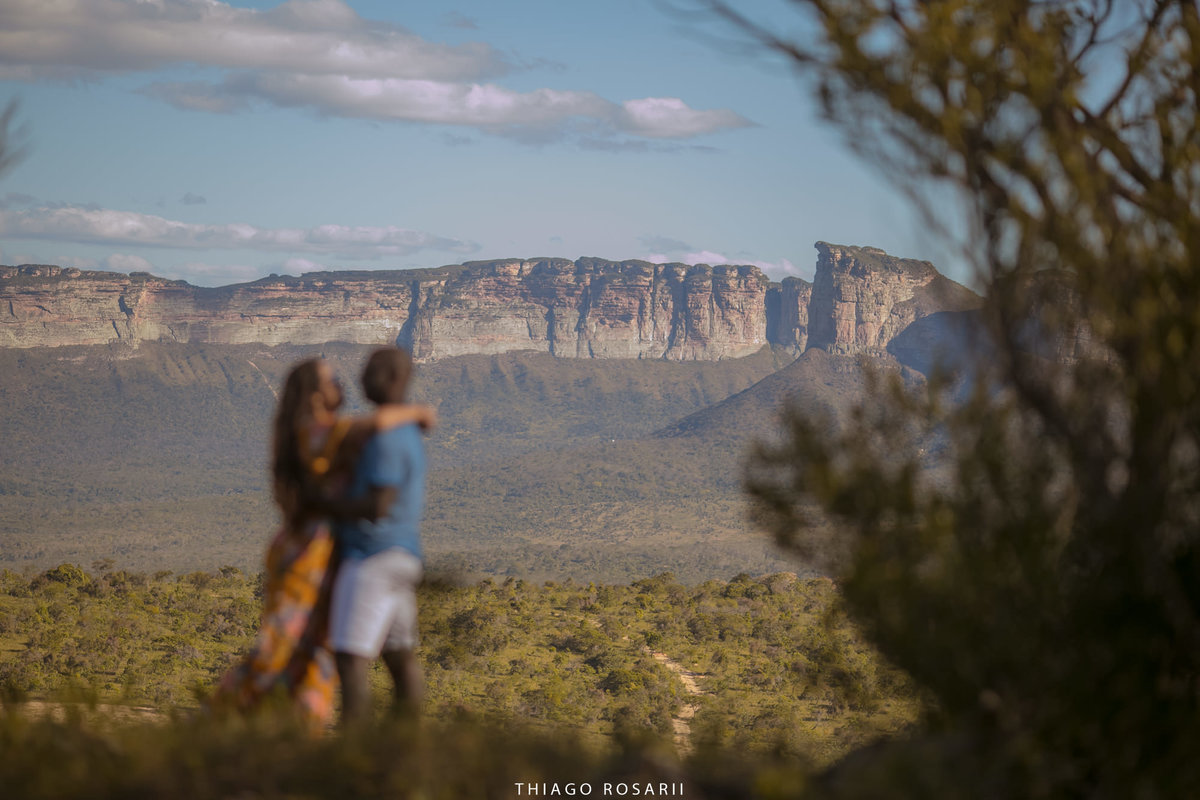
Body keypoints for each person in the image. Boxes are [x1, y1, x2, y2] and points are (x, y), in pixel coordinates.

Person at [209, 356, 435, 731]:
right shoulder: (317, 431)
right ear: (315, 395)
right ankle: (224, 716)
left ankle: (292, 725)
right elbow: (375, 423)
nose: (342, 385)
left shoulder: (312, 430)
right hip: (305, 554)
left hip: (318, 551)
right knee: (284, 643)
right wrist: (418, 411)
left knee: (311, 646)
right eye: (332, 380)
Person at [325, 346, 428, 728]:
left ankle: (354, 755)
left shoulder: (385, 438)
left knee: (350, 659)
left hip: (371, 555)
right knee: (400, 657)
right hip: (403, 555)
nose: (362, 378)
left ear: (389, 380)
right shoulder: (404, 431)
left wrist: (325, 506)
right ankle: (407, 744)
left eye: (369, 371)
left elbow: (379, 503)